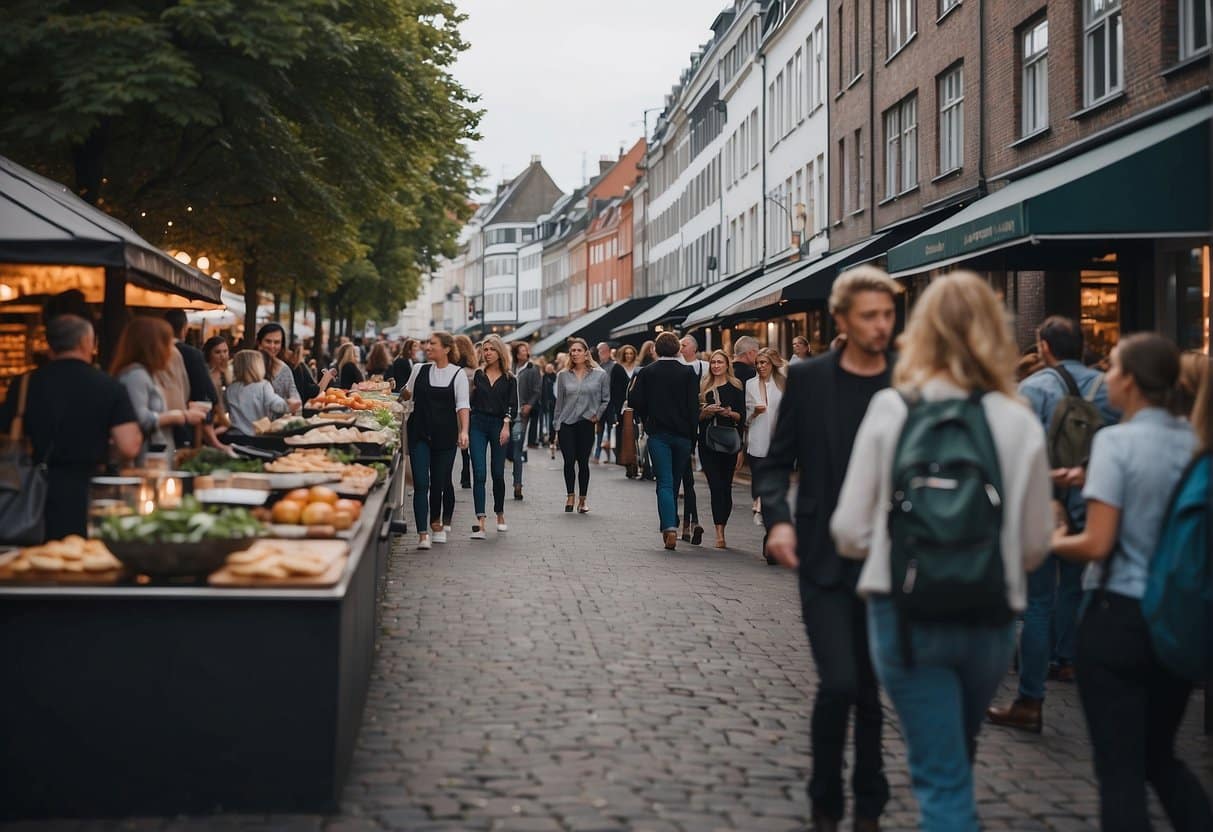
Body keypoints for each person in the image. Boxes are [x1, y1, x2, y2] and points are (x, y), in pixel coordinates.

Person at [830, 272, 1053, 831]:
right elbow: (1034, 546)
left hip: (905, 610)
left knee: (941, 774)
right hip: (989, 611)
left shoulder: (890, 409)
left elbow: (850, 531)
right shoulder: (1018, 419)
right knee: (959, 750)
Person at [758, 266, 901, 832]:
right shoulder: (811, 378)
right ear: (840, 318)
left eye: (888, 314)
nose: (882, 326)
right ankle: (824, 798)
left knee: (869, 688)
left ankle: (869, 801)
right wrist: (779, 521)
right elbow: (774, 462)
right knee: (839, 680)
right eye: (870, 315)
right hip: (820, 551)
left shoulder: (905, 379)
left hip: (888, 554)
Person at [1050, 333, 1213, 832]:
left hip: (1118, 616)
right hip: (1176, 619)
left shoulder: (1115, 442)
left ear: (1133, 382)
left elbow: (1097, 544)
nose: (1106, 376)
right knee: (1160, 757)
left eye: (1114, 367)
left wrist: (1050, 540)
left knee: (1119, 769)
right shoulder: (1195, 442)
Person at [987, 316, 1119, 732]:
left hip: (1042, 504)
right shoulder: (1107, 389)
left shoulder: (1033, 389)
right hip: (1093, 502)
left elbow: (1013, 454)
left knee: (1037, 601)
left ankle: (1031, 698)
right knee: (1079, 587)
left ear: (1044, 347)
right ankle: (1068, 661)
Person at [0, 315, 141, 541]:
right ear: (86, 341)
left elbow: (6, 430)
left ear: (50, 344)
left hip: (30, 491)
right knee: (79, 559)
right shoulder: (108, 386)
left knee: (34, 563)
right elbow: (129, 446)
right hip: (87, 490)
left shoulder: (24, 383)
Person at [626, 332, 700, 550]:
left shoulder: (648, 372)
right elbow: (693, 407)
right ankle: (671, 521)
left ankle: (669, 526)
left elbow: (634, 401)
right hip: (683, 435)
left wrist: (647, 415)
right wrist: (693, 437)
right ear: (677, 349)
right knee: (675, 481)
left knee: (664, 483)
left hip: (658, 434)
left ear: (656, 350)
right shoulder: (688, 372)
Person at [402, 331, 470, 550]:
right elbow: (407, 394)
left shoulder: (457, 374)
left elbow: (462, 405)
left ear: (447, 349)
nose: (427, 347)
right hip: (420, 433)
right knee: (422, 483)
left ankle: (436, 523)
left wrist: (464, 431)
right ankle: (423, 534)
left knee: (439, 483)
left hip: (445, 436)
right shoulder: (418, 370)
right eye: (427, 344)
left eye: (432, 344)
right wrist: (399, 392)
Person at [112, 317, 205, 465]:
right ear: (154, 346)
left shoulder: (144, 373)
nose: (171, 350)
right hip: (143, 462)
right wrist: (182, 416)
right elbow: (141, 418)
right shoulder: (136, 375)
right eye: (167, 343)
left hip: (152, 459)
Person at [553, 337, 610, 514]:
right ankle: (570, 495)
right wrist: (556, 425)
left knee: (583, 462)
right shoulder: (563, 375)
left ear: (586, 354)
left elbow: (605, 399)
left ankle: (583, 500)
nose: (575, 353)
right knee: (569, 461)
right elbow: (559, 403)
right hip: (566, 423)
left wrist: (597, 415)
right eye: (573, 351)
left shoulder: (600, 375)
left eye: (578, 350)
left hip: (586, 422)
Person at [468, 335, 517, 539]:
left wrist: (506, 426)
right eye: (484, 349)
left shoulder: (509, 378)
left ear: (499, 352)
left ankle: (500, 513)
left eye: (491, 349)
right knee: (479, 472)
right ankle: (480, 521)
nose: (487, 353)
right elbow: (468, 401)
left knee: (497, 473)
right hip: (477, 423)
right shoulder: (478, 375)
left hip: (499, 425)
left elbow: (512, 405)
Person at [697, 349, 744, 549]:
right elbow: (695, 418)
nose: (716, 365)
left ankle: (723, 522)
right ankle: (719, 532)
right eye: (713, 362)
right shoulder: (703, 387)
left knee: (725, 487)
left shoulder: (736, 387)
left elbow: (741, 417)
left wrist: (729, 413)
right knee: (715, 486)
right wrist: (705, 412)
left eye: (720, 362)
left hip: (729, 441)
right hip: (707, 441)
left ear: (727, 365)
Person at [163, 310, 223, 450]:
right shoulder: (191, 354)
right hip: (185, 427)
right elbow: (207, 396)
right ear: (184, 328)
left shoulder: (152, 352)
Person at [746, 347, 786, 538]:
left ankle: (767, 516)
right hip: (757, 440)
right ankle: (759, 503)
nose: (760, 366)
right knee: (759, 480)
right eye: (758, 363)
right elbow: (745, 420)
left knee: (774, 483)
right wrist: (754, 412)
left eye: (764, 363)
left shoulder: (783, 384)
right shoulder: (750, 385)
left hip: (778, 441)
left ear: (772, 364)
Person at [225, 349, 299, 436]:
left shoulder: (230, 389)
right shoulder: (264, 386)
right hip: (257, 436)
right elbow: (276, 404)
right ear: (256, 366)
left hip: (235, 436)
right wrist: (289, 405)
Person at [677, 334, 708, 544]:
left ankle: (688, 525)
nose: (680, 347)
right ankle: (690, 523)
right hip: (684, 427)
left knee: (685, 479)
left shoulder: (704, 367)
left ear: (694, 348)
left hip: (696, 427)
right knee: (686, 478)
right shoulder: (675, 365)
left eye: (684, 344)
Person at [512, 341, 541, 500]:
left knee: (517, 448)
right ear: (516, 354)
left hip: (520, 416)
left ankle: (518, 484)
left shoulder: (532, 368)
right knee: (507, 449)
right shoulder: (509, 368)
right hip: (505, 414)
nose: (526, 352)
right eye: (523, 350)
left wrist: (529, 405)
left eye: (526, 350)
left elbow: (537, 390)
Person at [610, 345, 641, 475]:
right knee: (625, 436)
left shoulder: (638, 368)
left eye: (631, 353)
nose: (629, 356)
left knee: (637, 435)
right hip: (623, 409)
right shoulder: (617, 368)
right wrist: (616, 410)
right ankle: (628, 463)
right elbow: (614, 390)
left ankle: (638, 462)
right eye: (626, 353)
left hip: (637, 407)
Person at [453, 334, 478, 493]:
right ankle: (467, 472)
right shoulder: (473, 371)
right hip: (472, 409)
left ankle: (465, 472)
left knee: (459, 441)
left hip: (458, 409)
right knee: (467, 442)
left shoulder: (456, 370)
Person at [255, 323, 301, 402]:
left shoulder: (284, 369)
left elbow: (296, 398)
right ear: (259, 343)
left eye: (276, 342)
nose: (272, 346)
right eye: (268, 341)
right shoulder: (248, 365)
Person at [202, 336, 232, 432]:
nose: (222, 355)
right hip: (210, 421)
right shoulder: (204, 374)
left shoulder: (231, 372)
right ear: (209, 354)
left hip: (229, 419)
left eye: (225, 351)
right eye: (218, 352)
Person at [594, 342, 617, 464]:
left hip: (611, 403)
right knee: (599, 430)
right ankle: (597, 455)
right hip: (600, 402)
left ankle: (612, 456)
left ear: (608, 352)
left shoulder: (614, 366)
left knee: (611, 429)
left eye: (602, 351)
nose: (600, 354)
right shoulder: (598, 367)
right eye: (599, 352)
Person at [540, 360, 557, 449]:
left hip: (553, 403)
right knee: (544, 422)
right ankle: (543, 439)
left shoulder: (555, 377)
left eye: (551, 368)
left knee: (551, 422)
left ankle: (551, 438)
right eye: (548, 368)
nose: (549, 369)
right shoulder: (543, 377)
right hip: (544, 402)